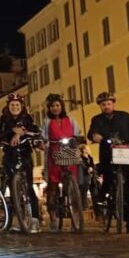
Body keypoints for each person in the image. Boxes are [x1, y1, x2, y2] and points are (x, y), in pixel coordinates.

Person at [87, 92, 129, 234]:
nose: (106, 106)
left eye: (108, 103)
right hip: (108, 153)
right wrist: (95, 136)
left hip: (126, 152)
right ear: (100, 106)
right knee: (107, 178)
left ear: (113, 104)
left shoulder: (124, 116)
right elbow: (92, 133)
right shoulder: (97, 119)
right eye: (103, 104)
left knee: (127, 188)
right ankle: (102, 199)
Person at [0, 94, 41, 231]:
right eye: (12, 105)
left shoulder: (27, 118)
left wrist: (21, 133)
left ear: (21, 107)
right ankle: (18, 219)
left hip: (24, 153)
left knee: (29, 186)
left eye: (17, 105)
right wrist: (12, 131)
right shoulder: (4, 119)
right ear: (8, 107)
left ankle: (34, 219)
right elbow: (0, 133)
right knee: (11, 187)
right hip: (10, 154)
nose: (15, 107)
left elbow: (34, 130)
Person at [40, 93, 82, 232]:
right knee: (52, 186)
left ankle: (76, 216)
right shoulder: (47, 121)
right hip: (53, 154)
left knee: (72, 183)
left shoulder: (70, 120)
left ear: (61, 106)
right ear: (49, 108)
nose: (55, 108)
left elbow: (78, 133)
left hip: (69, 152)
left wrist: (78, 139)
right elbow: (43, 136)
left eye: (57, 105)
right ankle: (53, 218)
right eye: (52, 106)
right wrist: (42, 142)